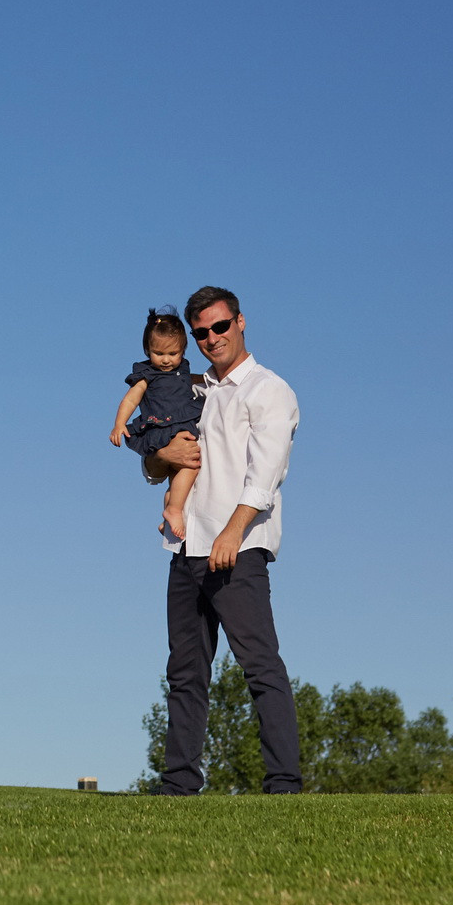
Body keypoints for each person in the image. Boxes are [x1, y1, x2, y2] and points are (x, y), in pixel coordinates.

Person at [147, 287, 302, 794]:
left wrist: (234, 532)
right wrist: (160, 456)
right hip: (185, 547)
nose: (211, 338)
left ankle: (284, 784)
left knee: (260, 666)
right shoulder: (191, 390)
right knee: (185, 674)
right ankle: (178, 785)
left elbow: (266, 475)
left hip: (238, 548)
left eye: (219, 326)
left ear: (240, 322)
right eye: (201, 333)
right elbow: (156, 466)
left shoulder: (268, 389)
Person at [110, 306, 204, 543]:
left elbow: (192, 382)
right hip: (162, 427)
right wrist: (119, 423)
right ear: (147, 350)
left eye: (173, 353)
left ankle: (170, 516)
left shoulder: (182, 370)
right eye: (158, 353)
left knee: (178, 475)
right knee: (190, 466)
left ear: (183, 350)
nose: (165, 360)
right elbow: (132, 398)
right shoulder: (147, 374)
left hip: (182, 422)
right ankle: (174, 511)